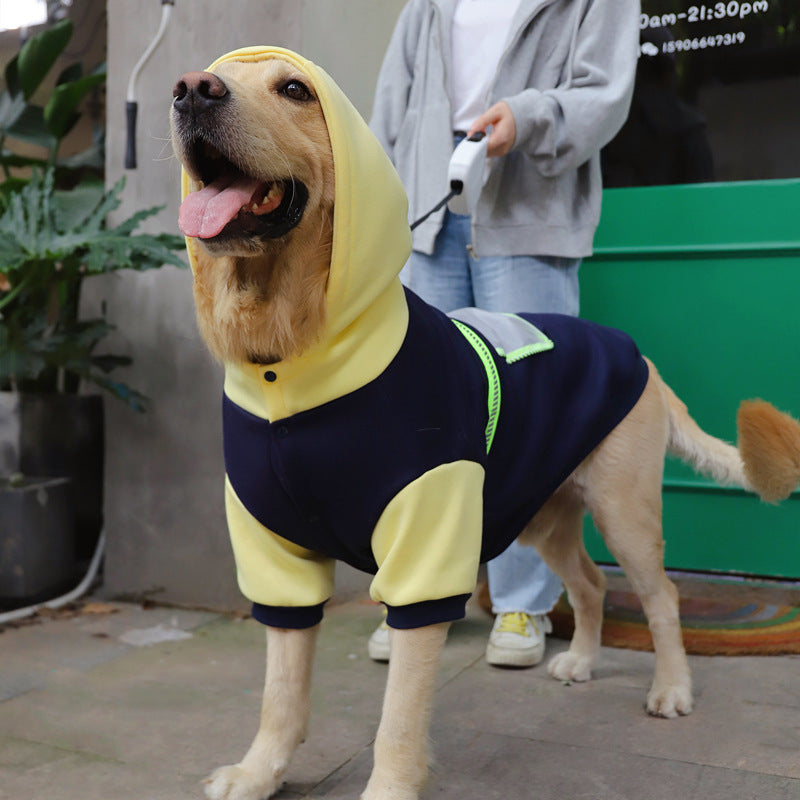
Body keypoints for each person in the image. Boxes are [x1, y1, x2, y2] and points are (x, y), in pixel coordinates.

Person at [367, 0, 639, 667]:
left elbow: (605, 91)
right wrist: (376, 205)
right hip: (427, 216)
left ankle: (524, 602)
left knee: (534, 416)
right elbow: (389, 105)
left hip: (526, 210)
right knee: (421, 418)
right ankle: (425, 592)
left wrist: (530, 114)